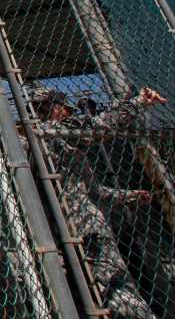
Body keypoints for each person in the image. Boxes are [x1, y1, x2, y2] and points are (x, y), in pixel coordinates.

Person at [30, 86, 167, 319]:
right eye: (65, 109)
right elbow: (99, 126)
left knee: (88, 298)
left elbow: (95, 192)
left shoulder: (42, 143)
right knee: (122, 296)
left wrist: (131, 195)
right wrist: (138, 103)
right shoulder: (53, 133)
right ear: (54, 109)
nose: (68, 114)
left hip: (66, 231)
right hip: (87, 232)